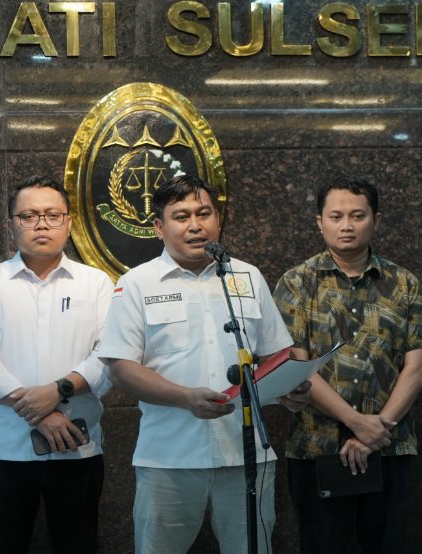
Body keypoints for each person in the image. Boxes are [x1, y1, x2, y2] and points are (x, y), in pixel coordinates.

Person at [97, 174, 311, 554]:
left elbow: (276, 356)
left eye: (204, 213)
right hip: (169, 458)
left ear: (217, 218)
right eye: (181, 216)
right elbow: (120, 368)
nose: (195, 225)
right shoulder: (137, 283)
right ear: (159, 227)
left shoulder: (247, 276)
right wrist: (185, 398)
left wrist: (292, 389)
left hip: (247, 457)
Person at [272, 176, 422, 553]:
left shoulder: (403, 283)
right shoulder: (296, 283)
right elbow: (298, 366)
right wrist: (356, 422)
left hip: (387, 446)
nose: (346, 225)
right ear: (320, 222)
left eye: (357, 215)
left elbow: (417, 368)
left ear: (376, 220)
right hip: (317, 447)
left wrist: (374, 430)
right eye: (336, 216)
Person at [0, 175, 114, 554]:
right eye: (28, 216)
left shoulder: (96, 284)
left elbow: (109, 355)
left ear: (69, 223)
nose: (41, 224)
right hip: (5, 450)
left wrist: (59, 390)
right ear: (11, 225)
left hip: (77, 444)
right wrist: (39, 412)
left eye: (52, 215)